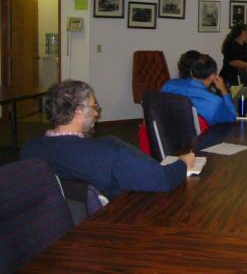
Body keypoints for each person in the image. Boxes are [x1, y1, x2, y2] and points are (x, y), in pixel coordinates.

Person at [20, 80, 195, 200]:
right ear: (79, 111)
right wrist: (182, 163)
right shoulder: (108, 153)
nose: (97, 113)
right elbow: (161, 180)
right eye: (94, 107)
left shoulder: (30, 149)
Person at [162, 54, 237, 125]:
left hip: (167, 135)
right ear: (212, 77)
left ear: (191, 72)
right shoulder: (215, 102)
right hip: (199, 137)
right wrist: (224, 90)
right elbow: (232, 117)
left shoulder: (169, 85)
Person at [219, 24, 247, 92]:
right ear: (242, 33)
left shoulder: (246, 45)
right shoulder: (229, 44)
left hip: (245, 77)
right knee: (235, 100)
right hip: (231, 78)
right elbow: (232, 62)